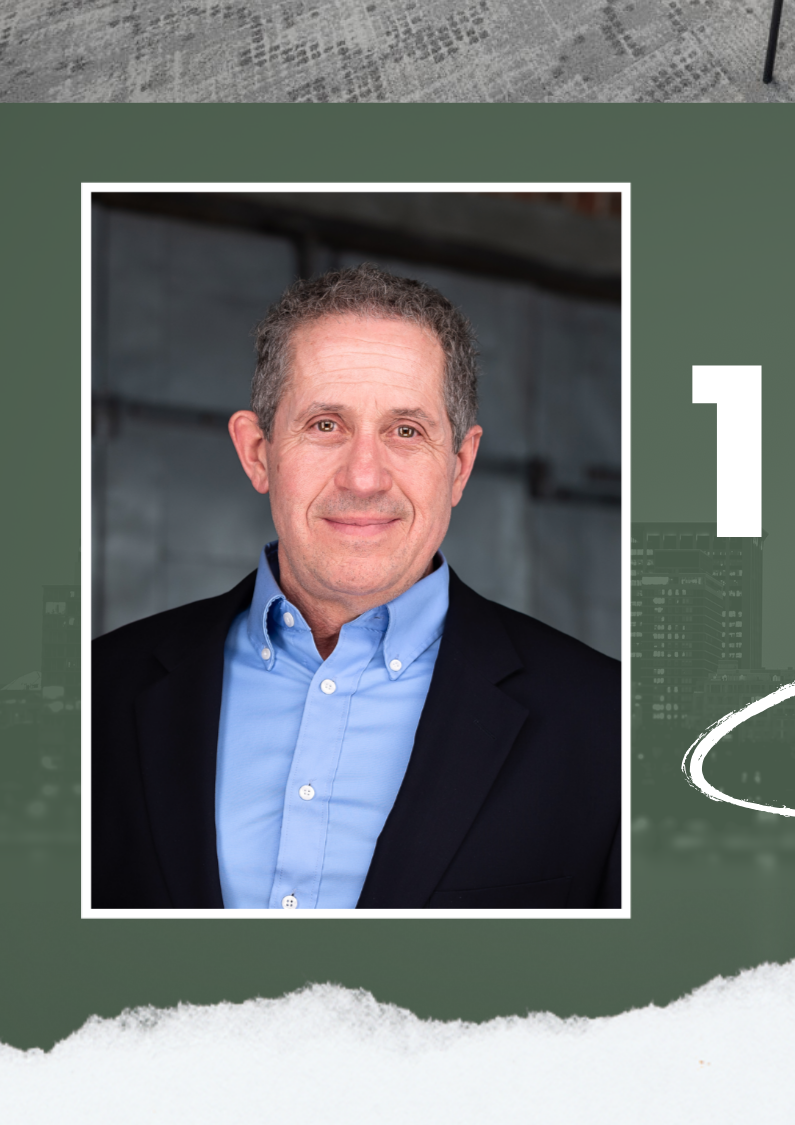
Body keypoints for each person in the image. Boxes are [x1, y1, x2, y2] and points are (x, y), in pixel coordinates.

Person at [91, 263, 620, 910]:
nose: (364, 477)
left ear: (458, 466)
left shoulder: (608, 728)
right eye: (325, 425)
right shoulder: (93, 697)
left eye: (406, 431)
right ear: (257, 452)